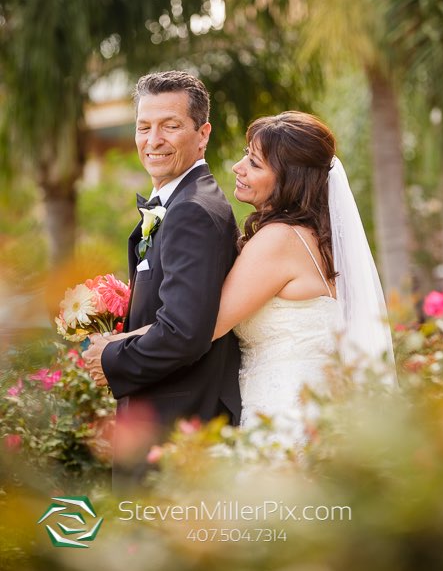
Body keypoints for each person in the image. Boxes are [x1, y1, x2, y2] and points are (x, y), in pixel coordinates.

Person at [82, 71, 241, 474]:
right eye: (143, 127)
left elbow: (184, 333)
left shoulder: (193, 211)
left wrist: (111, 357)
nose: (153, 140)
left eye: (170, 126)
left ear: (202, 134)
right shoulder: (178, 203)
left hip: (176, 432)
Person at [210, 111, 395, 440]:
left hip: (281, 421)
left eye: (254, 163)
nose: (238, 168)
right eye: (245, 156)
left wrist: (123, 342)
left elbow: (204, 326)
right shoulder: (323, 242)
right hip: (321, 416)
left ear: (288, 180)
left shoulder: (279, 240)